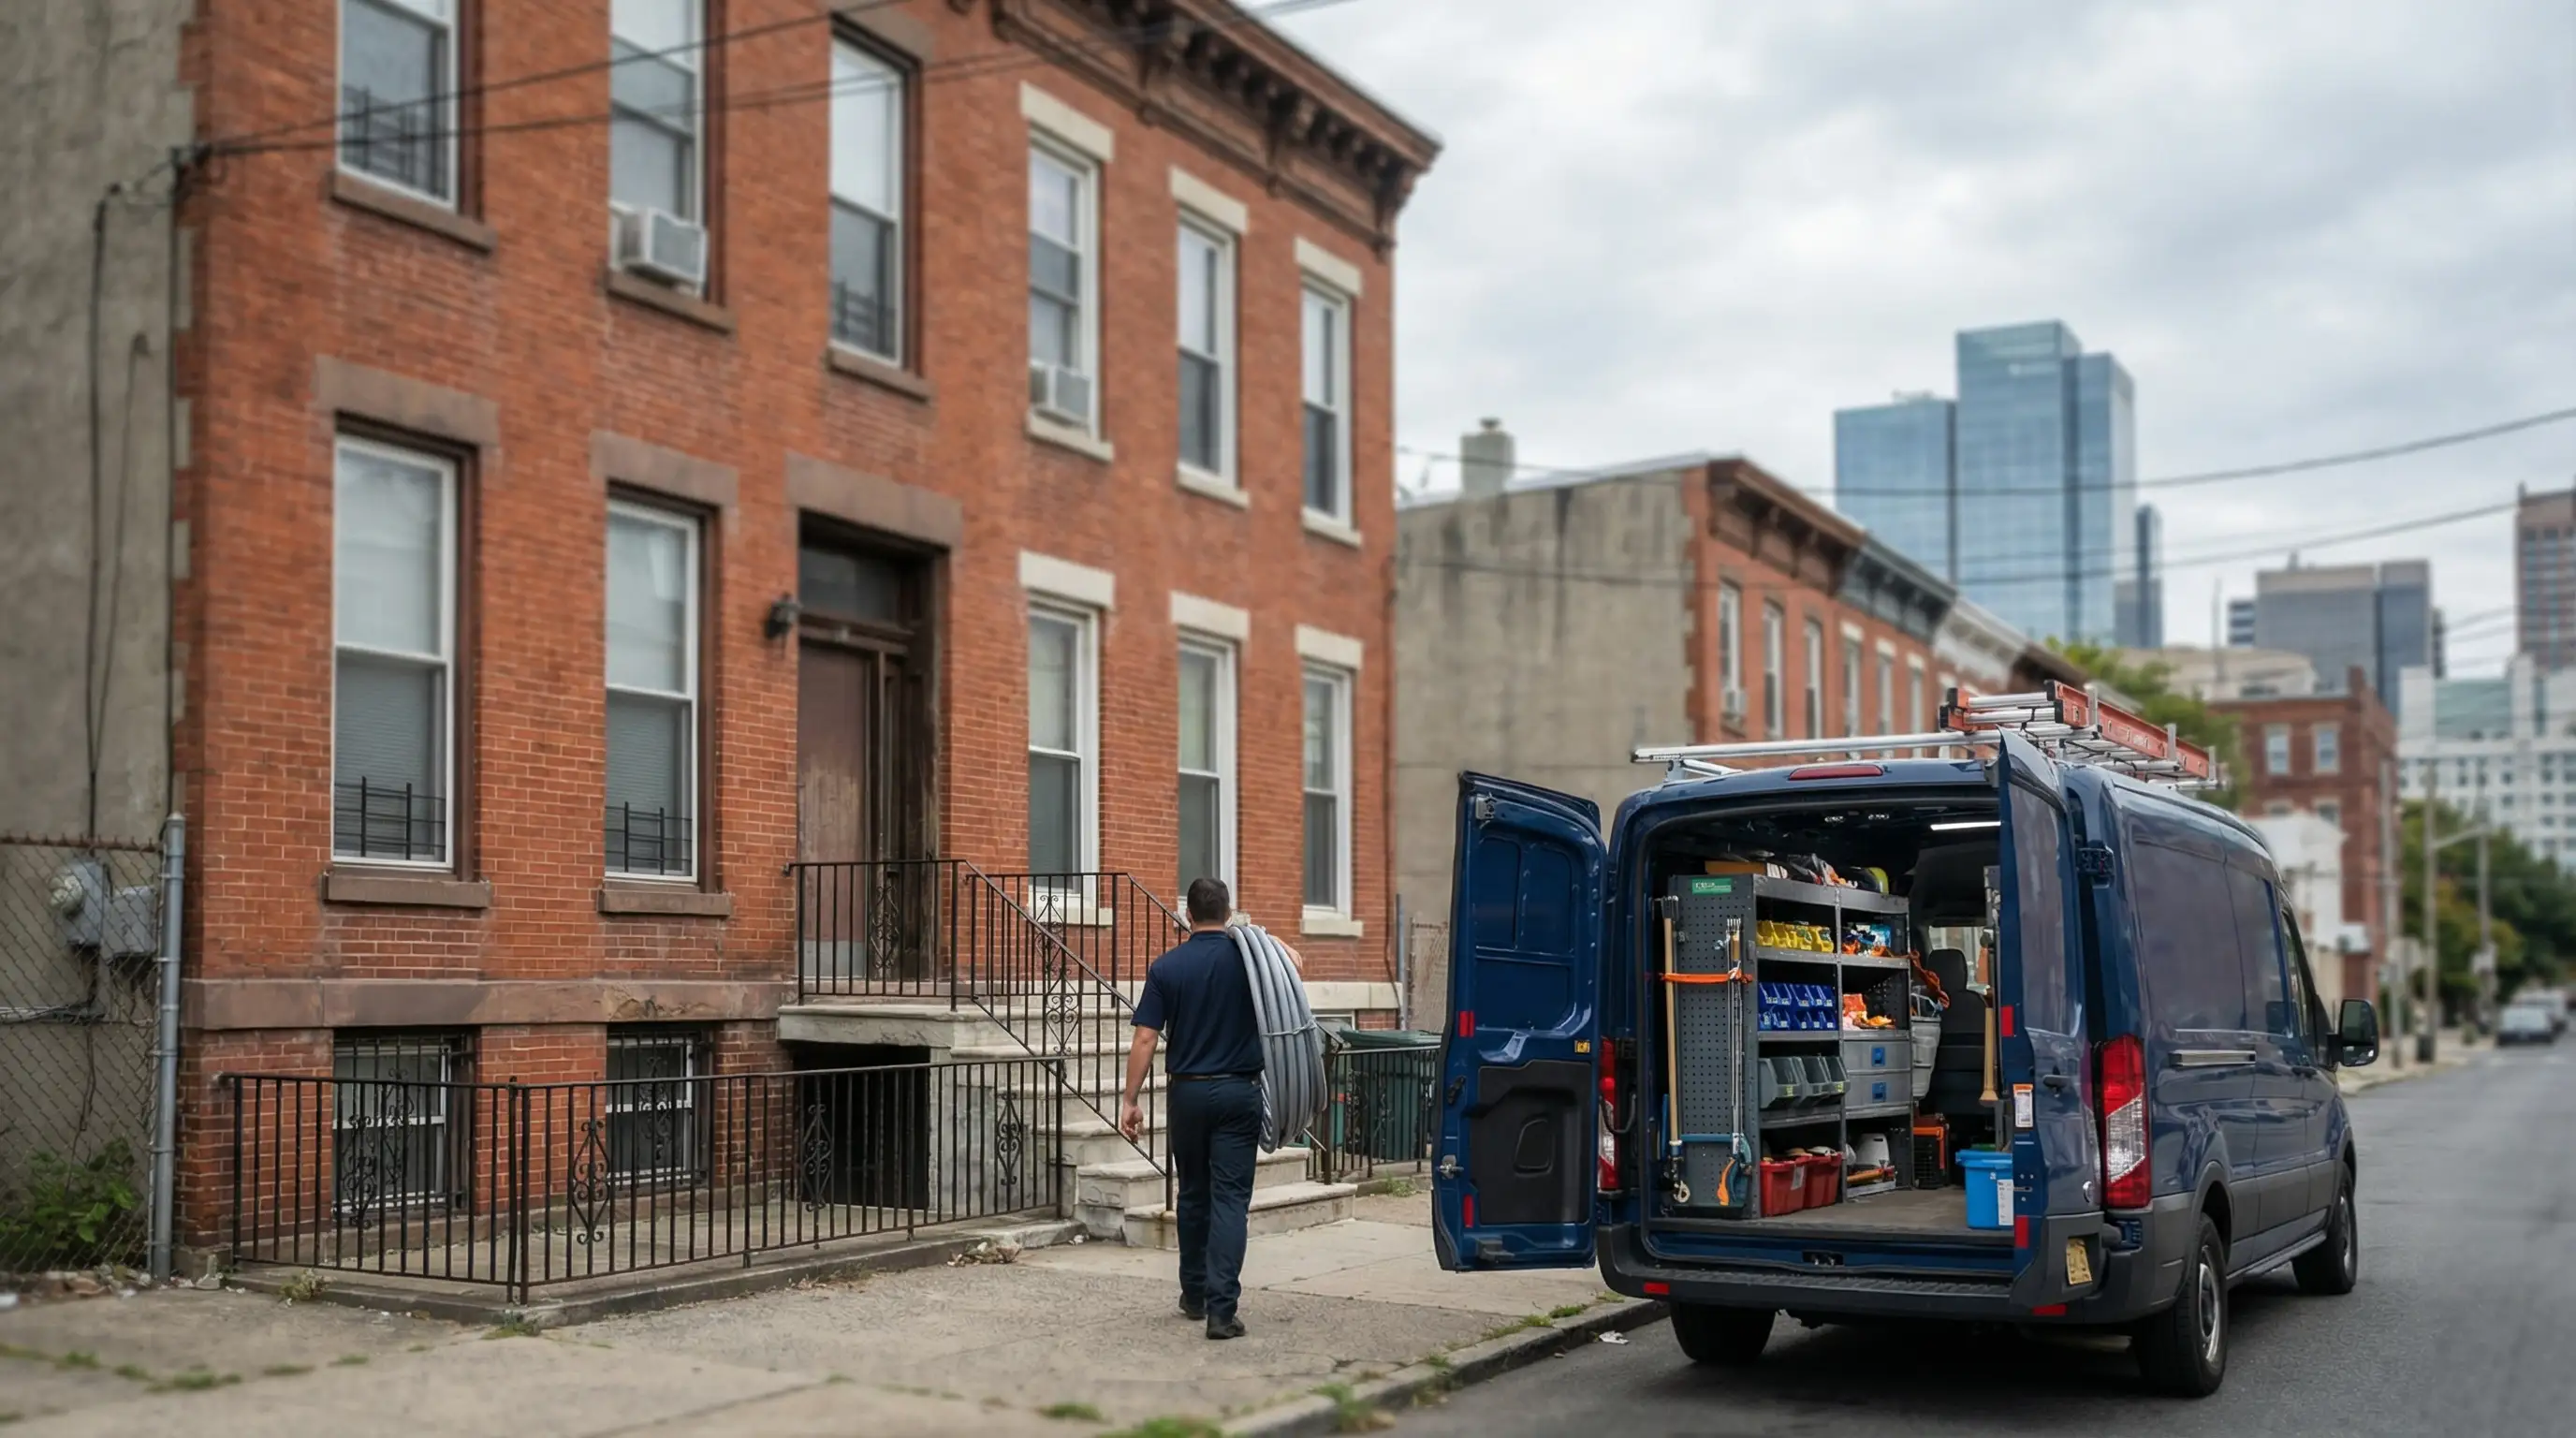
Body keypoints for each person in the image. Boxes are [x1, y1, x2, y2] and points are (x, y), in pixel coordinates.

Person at [1120, 876, 1262, 1340]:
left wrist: (1130, 1099)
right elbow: (1289, 978)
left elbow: (1145, 1036)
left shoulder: (1167, 967)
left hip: (1190, 1092)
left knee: (1194, 1193)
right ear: (1228, 912)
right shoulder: (1253, 964)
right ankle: (1223, 1311)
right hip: (1239, 1092)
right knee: (1230, 1201)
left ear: (1187, 916)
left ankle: (1195, 1295)